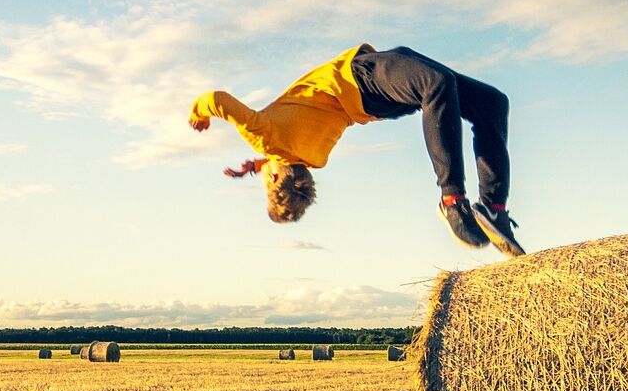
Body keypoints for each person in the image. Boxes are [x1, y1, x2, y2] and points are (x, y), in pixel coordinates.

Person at [187, 43, 524, 256]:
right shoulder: (266, 138)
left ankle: (494, 207)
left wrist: (258, 165)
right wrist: (198, 114)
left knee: (491, 103)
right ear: (275, 175)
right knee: (436, 84)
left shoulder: (313, 159)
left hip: (380, 103)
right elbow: (216, 100)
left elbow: (286, 159)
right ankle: (452, 200)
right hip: (362, 78)